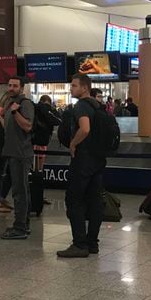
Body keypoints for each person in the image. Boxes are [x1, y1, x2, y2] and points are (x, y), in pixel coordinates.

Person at [57, 74, 106, 258]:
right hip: (98, 160)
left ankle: (79, 244)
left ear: (84, 88)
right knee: (94, 201)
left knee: (74, 200)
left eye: (74, 85)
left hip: (83, 160)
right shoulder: (98, 105)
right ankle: (92, 242)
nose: (71, 88)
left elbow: (85, 129)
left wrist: (73, 143)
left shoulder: (81, 106)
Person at [0, 77, 35, 240]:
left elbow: (27, 126)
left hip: (21, 153)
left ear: (22, 88)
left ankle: (20, 227)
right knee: (21, 189)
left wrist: (15, 112)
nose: (11, 88)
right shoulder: (9, 103)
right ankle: (23, 224)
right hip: (12, 152)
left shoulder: (24, 104)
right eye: (10, 85)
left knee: (19, 191)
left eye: (15, 86)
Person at [34, 95, 61, 174]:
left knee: (35, 154)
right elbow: (58, 120)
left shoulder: (35, 107)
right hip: (43, 136)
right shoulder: (48, 109)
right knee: (41, 155)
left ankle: (35, 171)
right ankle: (39, 171)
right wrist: (52, 109)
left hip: (32, 136)